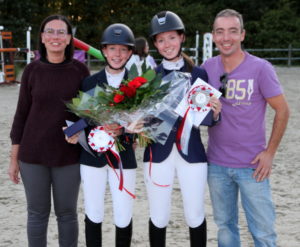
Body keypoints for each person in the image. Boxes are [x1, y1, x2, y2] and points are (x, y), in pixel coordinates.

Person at [202, 9, 290, 247]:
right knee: (225, 229)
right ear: (213, 36)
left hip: (253, 166)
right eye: (220, 32)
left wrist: (269, 153)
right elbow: (195, 110)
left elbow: (283, 110)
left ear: (242, 35)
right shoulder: (207, 68)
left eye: (232, 31)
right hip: (217, 165)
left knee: (263, 233)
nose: (226, 37)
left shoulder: (260, 68)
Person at [8, 14, 90, 247]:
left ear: (69, 39)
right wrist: (14, 160)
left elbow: (90, 115)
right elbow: (20, 116)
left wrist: (75, 129)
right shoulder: (32, 70)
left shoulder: (80, 71)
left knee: (67, 214)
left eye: (61, 32)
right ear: (42, 38)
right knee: (36, 214)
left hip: (68, 156)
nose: (56, 36)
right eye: (50, 32)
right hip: (33, 156)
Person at [143, 11, 222, 247]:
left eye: (171, 38)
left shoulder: (198, 73)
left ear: (181, 38)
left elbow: (207, 117)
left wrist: (216, 114)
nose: (167, 44)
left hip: (192, 153)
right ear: (155, 44)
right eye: (161, 40)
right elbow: (143, 120)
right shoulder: (149, 77)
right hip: (157, 154)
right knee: (158, 216)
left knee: (195, 214)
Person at [79, 23, 137, 247]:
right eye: (112, 48)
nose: (117, 54)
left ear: (130, 52)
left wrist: (127, 130)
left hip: (124, 158)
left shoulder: (137, 84)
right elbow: (82, 120)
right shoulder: (89, 83)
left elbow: (146, 124)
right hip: (92, 158)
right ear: (103, 50)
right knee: (94, 212)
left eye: (123, 49)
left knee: (123, 214)